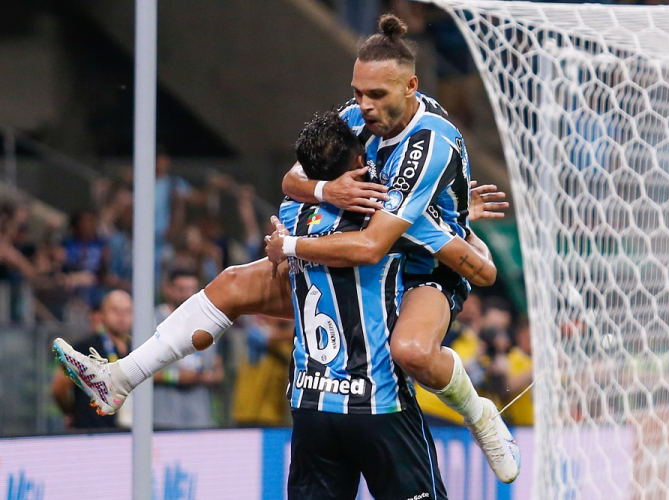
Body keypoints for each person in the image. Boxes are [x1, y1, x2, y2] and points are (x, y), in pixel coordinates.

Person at [53, 111, 499, 498]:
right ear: (361, 163)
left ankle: (124, 374)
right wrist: (454, 220)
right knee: (414, 350)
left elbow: (293, 189)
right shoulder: (385, 215)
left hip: (312, 401)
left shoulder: (292, 212)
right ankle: (480, 415)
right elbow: (478, 272)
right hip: (377, 399)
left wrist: (291, 243)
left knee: (230, 284)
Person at [272, 14, 519, 483]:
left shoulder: (432, 143)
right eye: (357, 91)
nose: (361, 105)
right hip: (383, 249)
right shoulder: (354, 115)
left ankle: (479, 413)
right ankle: (124, 376)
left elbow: (370, 244)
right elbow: (290, 179)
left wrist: (289, 243)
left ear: (411, 86)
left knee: (409, 351)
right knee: (237, 284)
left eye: (376, 95)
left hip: (424, 261)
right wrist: (329, 192)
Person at [152, 269, 224, 429]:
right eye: (181, 289)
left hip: (200, 418)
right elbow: (139, 371)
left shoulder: (209, 323)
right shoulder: (153, 320)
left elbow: (219, 372)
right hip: (163, 417)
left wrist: (204, 377)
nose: (188, 295)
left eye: (192, 290)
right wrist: (176, 377)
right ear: (167, 289)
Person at [51, 290, 133, 430]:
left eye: (127, 311)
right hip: (91, 431)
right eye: (115, 310)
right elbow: (59, 387)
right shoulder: (84, 348)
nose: (122, 316)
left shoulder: (136, 348)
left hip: (128, 431)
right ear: (102, 315)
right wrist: (72, 411)